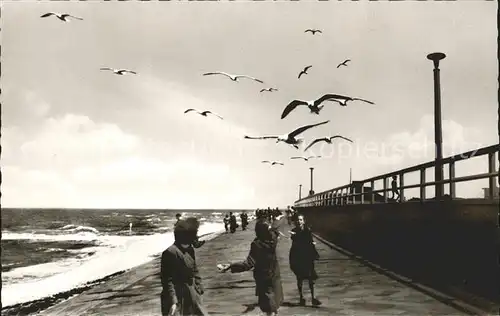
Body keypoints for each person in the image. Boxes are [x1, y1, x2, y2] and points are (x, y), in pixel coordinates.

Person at [219, 216, 284, 316]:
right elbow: (274, 231)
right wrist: (275, 227)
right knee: (274, 304)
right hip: (274, 274)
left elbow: (248, 264)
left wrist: (230, 266)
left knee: (268, 306)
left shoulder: (257, 244)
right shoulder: (273, 240)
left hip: (263, 277)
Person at [161, 217, 208, 316]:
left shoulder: (190, 250)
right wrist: (173, 302)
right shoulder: (170, 252)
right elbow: (167, 280)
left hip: (191, 292)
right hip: (177, 295)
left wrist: (199, 286)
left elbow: (195, 269)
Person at [289, 214, 321, 306]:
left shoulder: (307, 230)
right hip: (298, 257)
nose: (299, 221)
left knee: (311, 278)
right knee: (299, 278)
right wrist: (294, 235)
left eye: (301, 220)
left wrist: (314, 253)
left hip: (307, 257)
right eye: (298, 220)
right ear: (296, 222)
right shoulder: (294, 231)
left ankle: (313, 297)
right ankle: (301, 297)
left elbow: (310, 242)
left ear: (304, 221)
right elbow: (296, 241)